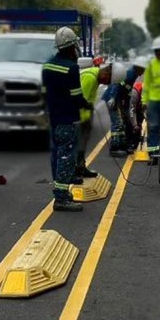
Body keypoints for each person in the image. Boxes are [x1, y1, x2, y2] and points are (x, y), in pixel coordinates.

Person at [42, 27, 85, 212]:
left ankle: (62, 193)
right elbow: (76, 96)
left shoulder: (47, 65)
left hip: (54, 117)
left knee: (57, 155)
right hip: (68, 118)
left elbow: (46, 93)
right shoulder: (72, 68)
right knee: (66, 157)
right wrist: (86, 104)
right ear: (71, 46)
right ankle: (61, 198)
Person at [77, 56, 113, 177]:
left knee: (83, 141)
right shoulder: (90, 77)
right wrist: (86, 113)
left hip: (84, 114)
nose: (107, 83)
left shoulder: (96, 77)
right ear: (105, 73)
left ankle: (80, 166)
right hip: (78, 116)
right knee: (77, 142)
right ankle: (75, 170)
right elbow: (79, 99)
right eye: (108, 80)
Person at [103, 61, 135, 153]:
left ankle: (120, 144)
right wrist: (113, 97)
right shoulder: (130, 74)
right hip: (112, 98)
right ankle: (115, 146)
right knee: (117, 122)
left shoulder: (133, 74)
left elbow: (126, 88)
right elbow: (116, 83)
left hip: (117, 98)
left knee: (120, 122)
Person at [128, 64, 146, 150]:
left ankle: (136, 138)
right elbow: (132, 111)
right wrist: (135, 125)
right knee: (130, 123)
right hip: (128, 102)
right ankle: (130, 141)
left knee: (140, 119)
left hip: (140, 106)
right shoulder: (135, 93)